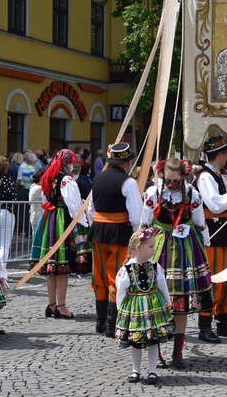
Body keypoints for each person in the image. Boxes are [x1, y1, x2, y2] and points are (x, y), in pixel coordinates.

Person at [143, 158, 213, 368]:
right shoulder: (153, 193)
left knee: (180, 302)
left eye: (176, 180)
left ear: (184, 176)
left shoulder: (193, 194)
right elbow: (144, 222)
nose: (171, 184)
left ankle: (178, 351)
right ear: (162, 174)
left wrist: (204, 244)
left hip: (185, 249)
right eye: (168, 179)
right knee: (156, 300)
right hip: (158, 246)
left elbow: (200, 223)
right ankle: (156, 351)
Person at [193, 135, 227, 342]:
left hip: (223, 232)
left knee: (225, 280)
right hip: (212, 234)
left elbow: (226, 205)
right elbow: (215, 205)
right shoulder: (206, 176)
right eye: (226, 153)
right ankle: (205, 323)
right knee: (212, 280)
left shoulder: (218, 175)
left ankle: (223, 321)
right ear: (219, 154)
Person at [87, 142, 142, 337]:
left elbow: (90, 210)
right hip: (120, 232)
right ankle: (112, 324)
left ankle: (99, 322)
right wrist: (137, 235)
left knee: (99, 276)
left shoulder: (97, 179)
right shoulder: (128, 182)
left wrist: (99, 223)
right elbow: (136, 215)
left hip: (98, 230)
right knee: (115, 276)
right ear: (127, 162)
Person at [29, 149, 88, 320]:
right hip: (63, 220)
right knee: (61, 267)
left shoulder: (48, 177)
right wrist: (83, 221)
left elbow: (45, 200)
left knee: (52, 267)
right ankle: (61, 306)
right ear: (68, 163)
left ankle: (52, 304)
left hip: (50, 219)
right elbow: (74, 205)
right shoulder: (67, 180)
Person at [115, 226, 174, 385]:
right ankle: (136, 370)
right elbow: (121, 290)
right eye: (150, 247)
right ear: (139, 247)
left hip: (154, 307)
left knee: (153, 340)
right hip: (135, 308)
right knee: (136, 341)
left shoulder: (155, 267)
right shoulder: (127, 269)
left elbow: (163, 286)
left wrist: (168, 304)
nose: (153, 249)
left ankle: (153, 371)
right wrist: (120, 310)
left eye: (154, 246)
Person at [16, 151, 37, 235]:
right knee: (30, 211)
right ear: (33, 161)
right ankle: (29, 231)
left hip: (24, 188)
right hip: (29, 190)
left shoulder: (25, 168)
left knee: (24, 211)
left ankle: (25, 229)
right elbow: (34, 179)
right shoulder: (32, 169)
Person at [28, 168, 44, 234]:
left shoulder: (33, 186)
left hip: (36, 216)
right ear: (41, 177)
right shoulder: (38, 188)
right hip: (38, 217)